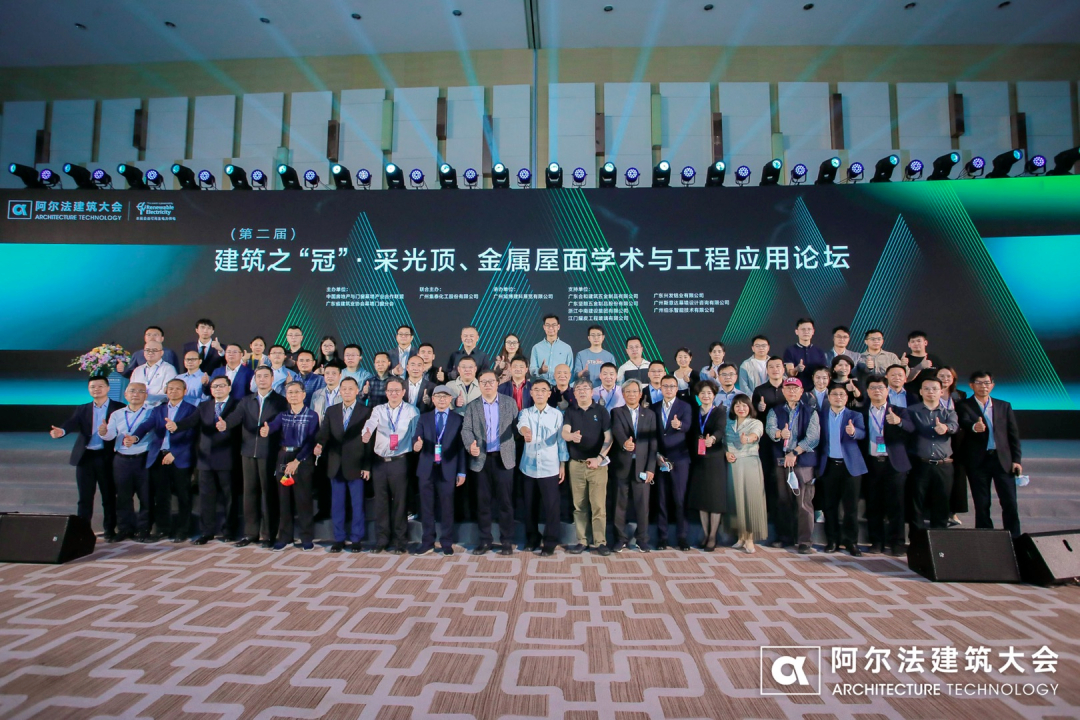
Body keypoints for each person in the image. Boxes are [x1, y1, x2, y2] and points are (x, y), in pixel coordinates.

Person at [220, 365, 289, 548]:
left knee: (268, 493)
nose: (262, 379)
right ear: (255, 379)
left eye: (266, 376)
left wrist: (271, 430)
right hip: (248, 451)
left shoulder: (280, 401)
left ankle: (268, 534)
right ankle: (250, 533)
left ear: (272, 379)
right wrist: (225, 424)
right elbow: (235, 417)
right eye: (259, 376)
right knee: (249, 492)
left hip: (269, 452)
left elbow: (282, 422)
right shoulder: (246, 400)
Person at [49, 376, 124, 541]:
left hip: (107, 457)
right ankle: (82, 532)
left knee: (109, 496)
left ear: (108, 388)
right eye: (92, 387)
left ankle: (110, 530)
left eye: (100, 386)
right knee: (84, 498)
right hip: (85, 457)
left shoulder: (119, 408)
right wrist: (61, 431)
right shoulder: (83, 408)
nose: (96, 389)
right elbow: (71, 422)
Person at [170, 375, 239, 544]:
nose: (218, 389)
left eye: (221, 386)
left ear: (229, 388)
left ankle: (230, 531)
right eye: (214, 387)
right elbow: (191, 421)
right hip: (205, 458)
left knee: (230, 497)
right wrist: (176, 426)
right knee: (206, 497)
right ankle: (207, 532)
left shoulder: (238, 404)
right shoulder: (204, 405)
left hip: (228, 457)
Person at [129, 378, 198, 542]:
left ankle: (183, 530)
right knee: (161, 495)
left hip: (180, 458)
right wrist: (134, 437)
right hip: (159, 457)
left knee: (183, 496)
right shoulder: (159, 409)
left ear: (185, 391)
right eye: (170, 388)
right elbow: (146, 425)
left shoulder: (192, 410)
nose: (173, 391)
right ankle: (163, 529)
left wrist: (175, 453)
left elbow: (193, 436)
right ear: (166, 391)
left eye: (177, 388)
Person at [460, 370, 518, 554]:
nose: (487, 385)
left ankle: (507, 541)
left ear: (497, 383)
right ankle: (485, 541)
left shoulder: (509, 403)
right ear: (479, 384)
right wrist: (470, 445)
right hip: (481, 460)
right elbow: (466, 429)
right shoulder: (473, 405)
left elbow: (517, 427)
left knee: (505, 503)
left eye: (491, 381)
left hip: (504, 459)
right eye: (483, 382)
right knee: (482, 503)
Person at [959, 371, 1023, 538]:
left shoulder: (1004, 406)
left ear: (992, 385)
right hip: (978, 461)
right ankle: (985, 538)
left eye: (987, 383)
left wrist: (1016, 460)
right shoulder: (964, 405)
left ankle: (1014, 538)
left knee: (1009, 501)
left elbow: (1013, 435)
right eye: (979, 383)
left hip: (1002, 460)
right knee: (982, 503)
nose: (984, 386)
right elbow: (964, 422)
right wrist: (974, 427)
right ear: (971, 385)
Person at [314, 377, 373, 553]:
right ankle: (338, 538)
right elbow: (324, 433)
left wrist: (367, 466)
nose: (347, 392)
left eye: (350, 389)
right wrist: (319, 444)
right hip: (335, 464)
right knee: (337, 505)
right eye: (344, 389)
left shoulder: (366, 411)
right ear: (340, 391)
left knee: (357, 505)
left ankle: (356, 539)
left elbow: (369, 442)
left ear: (357, 391)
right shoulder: (331, 411)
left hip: (356, 464)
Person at [361, 376, 418, 553]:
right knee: (381, 502)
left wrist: (418, 442)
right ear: (386, 393)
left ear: (403, 392)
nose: (393, 393)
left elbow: (416, 433)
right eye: (390, 390)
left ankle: (400, 541)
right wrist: (367, 432)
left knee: (400, 503)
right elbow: (370, 424)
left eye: (397, 390)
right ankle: (382, 540)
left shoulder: (411, 410)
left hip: (400, 461)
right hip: (380, 462)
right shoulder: (378, 409)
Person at [260, 381, 319, 551]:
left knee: (303, 500)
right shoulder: (282, 415)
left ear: (304, 394)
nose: (293, 395)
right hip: (284, 457)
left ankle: (306, 538)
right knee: (283, 500)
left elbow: (311, 441)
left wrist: (297, 461)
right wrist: (266, 430)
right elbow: (272, 427)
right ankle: (285, 537)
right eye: (290, 392)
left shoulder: (312, 415)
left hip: (303, 458)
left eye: (296, 392)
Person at [765, 377, 820, 554]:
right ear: (783, 391)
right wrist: (780, 433)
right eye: (788, 388)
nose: (791, 391)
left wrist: (795, 453)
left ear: (801, 391)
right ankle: (785, 537)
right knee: (783, 501)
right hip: (781, 461)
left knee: (804, 502)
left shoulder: (810, 411)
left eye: (795, 388)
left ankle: (805, 541)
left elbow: (813, 438)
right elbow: (770, 429)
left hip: (803, 462)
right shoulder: (775, 410)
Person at [860, 375, 913, 557]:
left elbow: (911, 429)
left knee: (896, 505)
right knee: (873, 505)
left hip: (894, 464)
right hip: (871, 463)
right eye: (873, 388)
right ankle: (876, 542)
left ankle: (897, 543)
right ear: (868, 391)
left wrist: (899, 422)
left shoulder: (899, 411)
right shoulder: (861, 412)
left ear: (887, 390)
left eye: (880, 388)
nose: (877, 391)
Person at [412, 386, 467, 555]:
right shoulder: (424, 417)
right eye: (438, 396)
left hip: (448, 468)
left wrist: (461, 471)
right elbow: (416, 438)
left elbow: (461, 448)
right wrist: (416, 445)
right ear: (433, 399)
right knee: (426, 507)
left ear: (450, 399)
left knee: (447, 507)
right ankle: (427, 542)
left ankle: (446, 542)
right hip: (427, 468)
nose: (442, 399)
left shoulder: (458, 419)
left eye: (445, 396)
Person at [518, 380, 569, 557]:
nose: (539, 393)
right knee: (529, 506)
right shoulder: (525, 413)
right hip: (529, 467)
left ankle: (550, 541)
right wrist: (525, 431)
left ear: (549, 394)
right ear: (531, 393)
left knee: (552, 508)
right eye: (536, 390)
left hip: (550, 467)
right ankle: (532, 538)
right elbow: (521, 424)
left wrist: (563, 464)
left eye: (543, 390)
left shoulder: (557, 414)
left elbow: (561, 441)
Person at [563, 379, 614, 555]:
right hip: (576, 465)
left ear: (592, 392)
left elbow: (609, 437)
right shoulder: (570, 411)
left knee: (598, 505)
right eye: (578, 389)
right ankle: (582, 541)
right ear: (574, 393)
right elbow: (564, 432)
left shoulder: (601, 411)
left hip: (597, 465)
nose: (582, 391)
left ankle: (600, 542)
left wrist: (599, 458)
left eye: (585, 388)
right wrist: (571, 436)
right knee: (579, 506)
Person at [815, 385, 867, 556]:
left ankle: (851, 542)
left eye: (842, 394)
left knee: (851, 508)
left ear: (847, 398)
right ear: (829, 397)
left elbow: (862, 433)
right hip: (829, 466)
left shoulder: (855, 415)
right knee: (829, 506)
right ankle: (832, 541)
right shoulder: (821, 415)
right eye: (835, 394)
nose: (838, 397)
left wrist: (853, 432)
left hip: (850, 467)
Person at [100, 383, 153, 542]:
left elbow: (153, 431)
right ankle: (124, 529)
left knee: (146, 496)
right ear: (125, 394)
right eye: (132, 391)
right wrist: (103, 432)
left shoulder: (152, 412)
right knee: (123, 497)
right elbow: (110, 435)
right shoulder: (117, 414)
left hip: (144, 458)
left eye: (140, 391)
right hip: (121, 460)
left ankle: (144, 530)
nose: (136, 394)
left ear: (146, 395)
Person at [610, 379, 657, 553]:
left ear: (640, 394)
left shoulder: (649, 414)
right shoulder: (616, 412)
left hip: (643, 467)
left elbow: (653, 443)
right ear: (623, 394)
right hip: (622, 465)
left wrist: (651, 468)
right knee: (619, 505)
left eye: (634, 391)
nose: (631, 394)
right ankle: (620, 539)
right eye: (627, 391)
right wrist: (625, 443)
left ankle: (642, 539)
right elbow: (617, 430)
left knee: (643, 506)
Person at [907, 376, 959, 532]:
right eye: (927, 389)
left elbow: (954, 426)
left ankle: (939, 539)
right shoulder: (912, 411)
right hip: (920, 464)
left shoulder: (949, 412)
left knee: (942, 504)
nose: (931, 392)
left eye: (935, 389)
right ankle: (916, 539)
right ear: (921, 391)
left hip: (944, 465)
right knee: (916, 504)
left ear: (941, 392)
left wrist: (946, 428)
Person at [686, 382, 728, 552]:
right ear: (698, 395)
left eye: (709, 393)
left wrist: (713, 439)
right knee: (701, 498)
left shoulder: (720, 412)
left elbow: (720, 430)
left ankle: (713, 536)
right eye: (702, 393)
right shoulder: (694, 411)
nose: (706, 396)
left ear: (714, 395)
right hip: (698, 459)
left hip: (715, 458)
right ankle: (705, 533)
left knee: (715, 499)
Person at [654, 375, 692, 551]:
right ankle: (662, 537)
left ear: (677, 389)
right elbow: (653, 434)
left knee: (680, 498)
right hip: (661, 459)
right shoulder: (654, 407)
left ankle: (682, 536)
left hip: (680, 458)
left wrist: (680, 425)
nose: (668, 389)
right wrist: (656, 454)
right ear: (660, 388)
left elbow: (688, 426)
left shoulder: (685, 406)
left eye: (672, 386)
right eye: (665, 386)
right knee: (661, 499)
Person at [725, 394, 767, 553]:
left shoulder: (756, 423)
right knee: (736, 500)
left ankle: (750, 538)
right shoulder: (729, 423)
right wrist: (726, 453)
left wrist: (748, 439)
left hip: (750, 464)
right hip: (733, 465)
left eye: (744, 405)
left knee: (750, 500)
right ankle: (741, 536)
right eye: (737, 405)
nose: (741, 408)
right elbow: (723, 442)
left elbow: (756, 434)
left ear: (750, 407)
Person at [937, 366, 969, 527]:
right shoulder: (930, 392)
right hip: (935, 439)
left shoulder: (960, 395)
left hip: (956, 440)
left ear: (953, 378)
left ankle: (953, 511)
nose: (945, 379)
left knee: (957, 476)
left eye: (948, 376)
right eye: (941, 376)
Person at [530, 314, 573, 384]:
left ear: (558, 327)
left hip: (559, 385)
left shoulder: (566, 348)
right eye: (548, 325)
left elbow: (570, 370)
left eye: (553, 325)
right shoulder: (536, 348)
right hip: (542, 386)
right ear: (544, 327)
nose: (550, 328)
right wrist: (540, 370)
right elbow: (532, 370)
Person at [130, 341, 177, 407]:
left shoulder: (169, 369)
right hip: (138, 407)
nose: (150, 353)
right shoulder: (137, 370)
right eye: (147, 350)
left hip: (159, 407)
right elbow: (131, 389)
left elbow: (167, 392)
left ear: (161, 353)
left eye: (154, 350)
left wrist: (146, 398)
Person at [784, 318, 827, 387]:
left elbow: (824, 372)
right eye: (803, 329)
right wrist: (797, 369)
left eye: (809, 329)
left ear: (813, 332)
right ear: (796, 332)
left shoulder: (819, 351)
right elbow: (790, 373)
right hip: (797, 389)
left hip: (816, 389)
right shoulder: (790, 350)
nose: (806, 332)